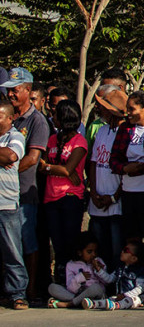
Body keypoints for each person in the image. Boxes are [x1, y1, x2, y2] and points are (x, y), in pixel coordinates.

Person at [110, 91, 144, 298]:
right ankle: (130, 286)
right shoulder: (125, 129)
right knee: (131, 242)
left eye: (132, 109)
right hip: (129, 193)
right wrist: (125, 168)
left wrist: (138, 169)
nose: (128, 113)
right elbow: (113, 159)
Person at [5, 67, 48, 304]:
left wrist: (6, 169)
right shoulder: (4, 116)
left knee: (26, 243)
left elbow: (32, 159)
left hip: (23, 193)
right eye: (8, 91)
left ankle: (29, 290)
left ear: (28, 90)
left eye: (15, 90)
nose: (10, 94)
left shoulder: (37, 121)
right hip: (4, 194)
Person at [40, 99, 88, 283]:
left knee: (70, 243)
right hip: (51, 197)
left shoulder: (79, 141)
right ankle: (60, 282)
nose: (52, 118)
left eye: (56, 115)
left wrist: (51, 168)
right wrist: (57, 169)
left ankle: (73, 283)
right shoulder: (52, 139)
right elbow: (42, 165)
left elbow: (68, 169)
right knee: (57, 245)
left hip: (70, 197)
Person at [87, 89, 125, 268]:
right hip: (97, 200)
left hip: (116, 202)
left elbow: (125, 170)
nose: (99, 109)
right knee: (99, 248)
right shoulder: (101, 131)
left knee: (117, 249)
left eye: (103, 107)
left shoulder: (125, 134)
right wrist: (93, 192)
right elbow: (94, 162)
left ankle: (117, 288)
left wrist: (114, 196)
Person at [0, 96, 29, 310]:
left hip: (7, 204)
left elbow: (11, 156)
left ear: (11, 118)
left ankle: (18, 294)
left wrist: (5, 157)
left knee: (12, 252)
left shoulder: (15, 136)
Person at [47, 232, 108, 308]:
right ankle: (80, 302)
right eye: (89, 252)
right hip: (76, 294)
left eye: (95, 251)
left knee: (96, 287)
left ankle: (69, 304)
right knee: (52, 287)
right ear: (80, 253)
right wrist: (79, 278)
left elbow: (106, 283)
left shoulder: (99, 261)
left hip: (94, 294)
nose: (93, 255)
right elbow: (70, 288)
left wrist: (99, 271)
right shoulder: (71, 265)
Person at [84, 240, 144, 310]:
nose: (122, 251)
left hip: (134, 297)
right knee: (111, 299)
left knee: (132, 300)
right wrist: (99, 270)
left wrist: (125, 295)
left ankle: (116, 305)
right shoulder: (120, 268)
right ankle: (93, 304)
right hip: (120, 296)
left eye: (126, 250)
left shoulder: (139, 271)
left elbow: (140, 289)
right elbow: (109, 279)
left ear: (134, 258)